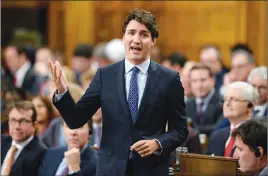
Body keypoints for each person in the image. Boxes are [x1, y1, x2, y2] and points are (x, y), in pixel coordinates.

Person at [49, 9, 188, 176]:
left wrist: (158, 143)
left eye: (143, 34)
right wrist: (63, 92)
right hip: (111, 169)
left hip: (151, 169)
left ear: (153, 40)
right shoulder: (104, 75)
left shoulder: (169, 79)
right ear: (123, 37)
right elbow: (75, 119)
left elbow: (179, 130)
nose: (136, 40)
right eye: (131, 33)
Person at [207, 81, 258, 157]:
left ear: (250, 107)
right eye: (225, 99)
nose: (227, 103)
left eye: (234, 99)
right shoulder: (216, 136)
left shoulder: (258, 136)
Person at [1, 101, 47, 176]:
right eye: (13, 120)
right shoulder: (2, 141)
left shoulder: (41, 153)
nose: (17, 127)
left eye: (23, 121)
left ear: (34, 126)